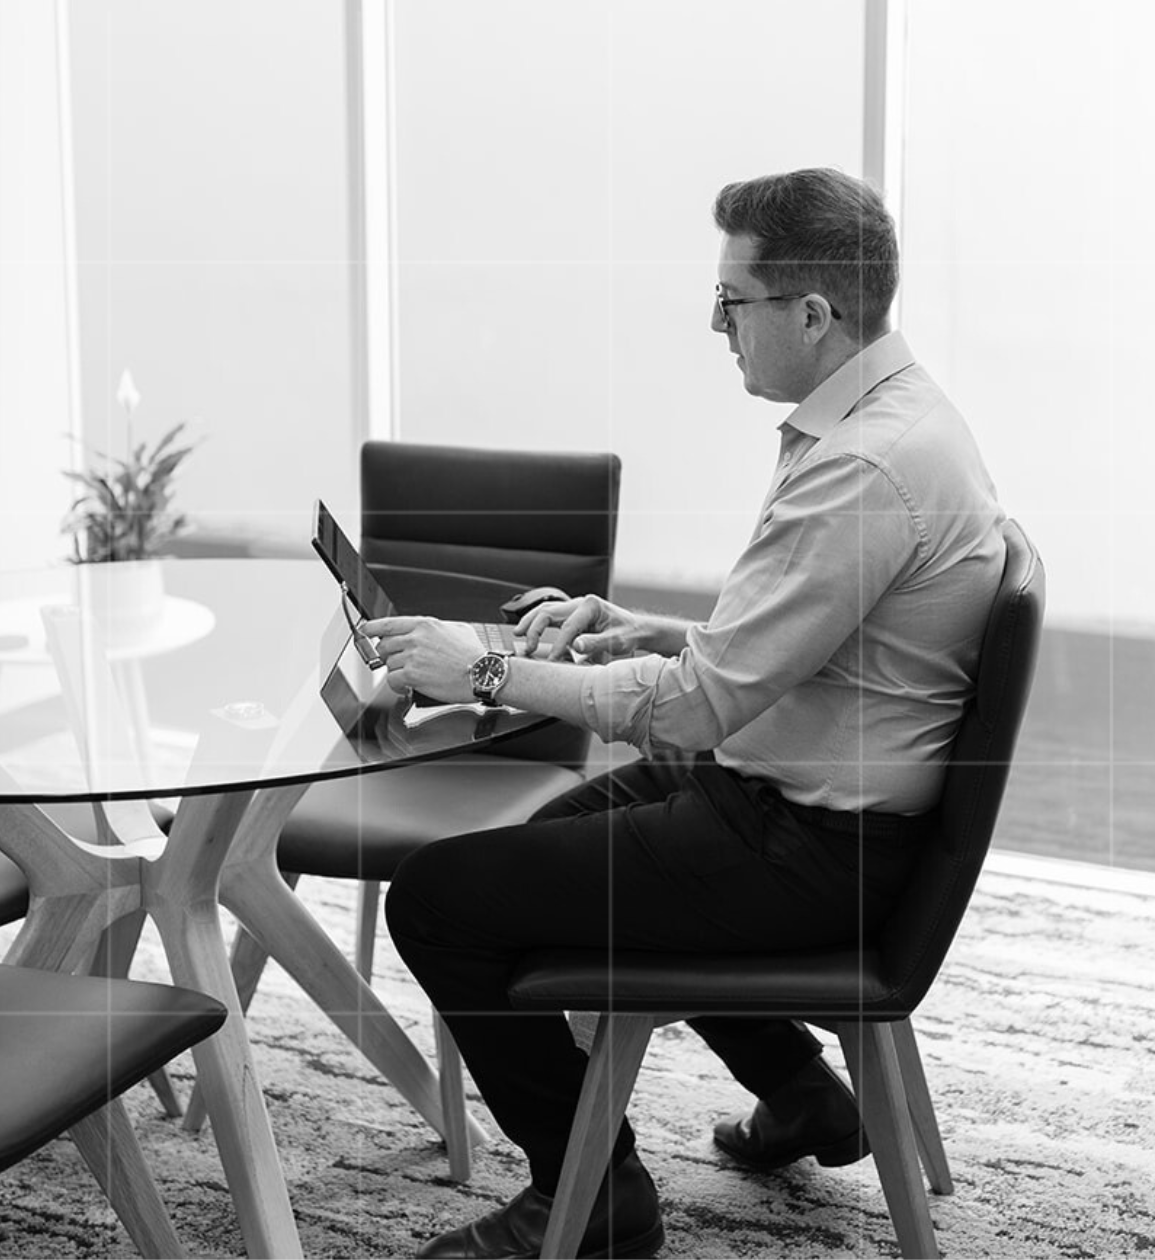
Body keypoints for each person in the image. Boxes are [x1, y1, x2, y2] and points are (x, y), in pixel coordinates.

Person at [374, 166, 1005, 1260]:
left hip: (813, 845)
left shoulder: (862, 467)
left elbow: (699, 709)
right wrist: (641, 625)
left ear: (812, 314)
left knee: (435, 903)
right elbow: (793, 652)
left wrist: (477, 671)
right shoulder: (896, 420)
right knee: (543, 850)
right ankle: (802, 1090)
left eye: (733, 302)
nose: (718, 326)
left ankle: (594, 1195)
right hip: (800, 796)